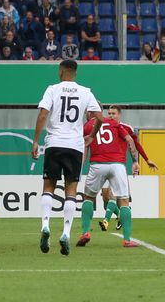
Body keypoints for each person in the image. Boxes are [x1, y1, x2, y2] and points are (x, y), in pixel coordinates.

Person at [32, 60, 103, 256]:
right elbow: (100, 117)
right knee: (71, 191)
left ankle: (45, 225)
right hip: (75, 145)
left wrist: (36, 141)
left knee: (48, 187)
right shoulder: (85, 91)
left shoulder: (52, 89)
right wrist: (92, 135)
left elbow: (43, 114)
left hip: (54, 143)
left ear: (61, 71)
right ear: (75, 73)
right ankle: (66, 233)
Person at [76, 106, 156, 248]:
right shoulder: (114, 124)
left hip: (97, 164)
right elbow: (130, 141)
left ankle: (85, 232)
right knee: (124, 201)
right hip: (117, 165)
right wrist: (136, 161)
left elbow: (84, 148)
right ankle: (126, 239)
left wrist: (79, 169)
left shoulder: (87, 126)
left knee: (88, 198)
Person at [97, 105, 156, 232]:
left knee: (113, 195)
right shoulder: (103, 127)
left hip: (118, 167)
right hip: (104, 165)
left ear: (119, 115)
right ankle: (119, 215)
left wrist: (146, 160)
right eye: (109, 113)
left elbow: (135, 145)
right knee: (106, 200)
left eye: (113, 113)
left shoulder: (126, 128)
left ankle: (105, 221)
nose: (111, 116)